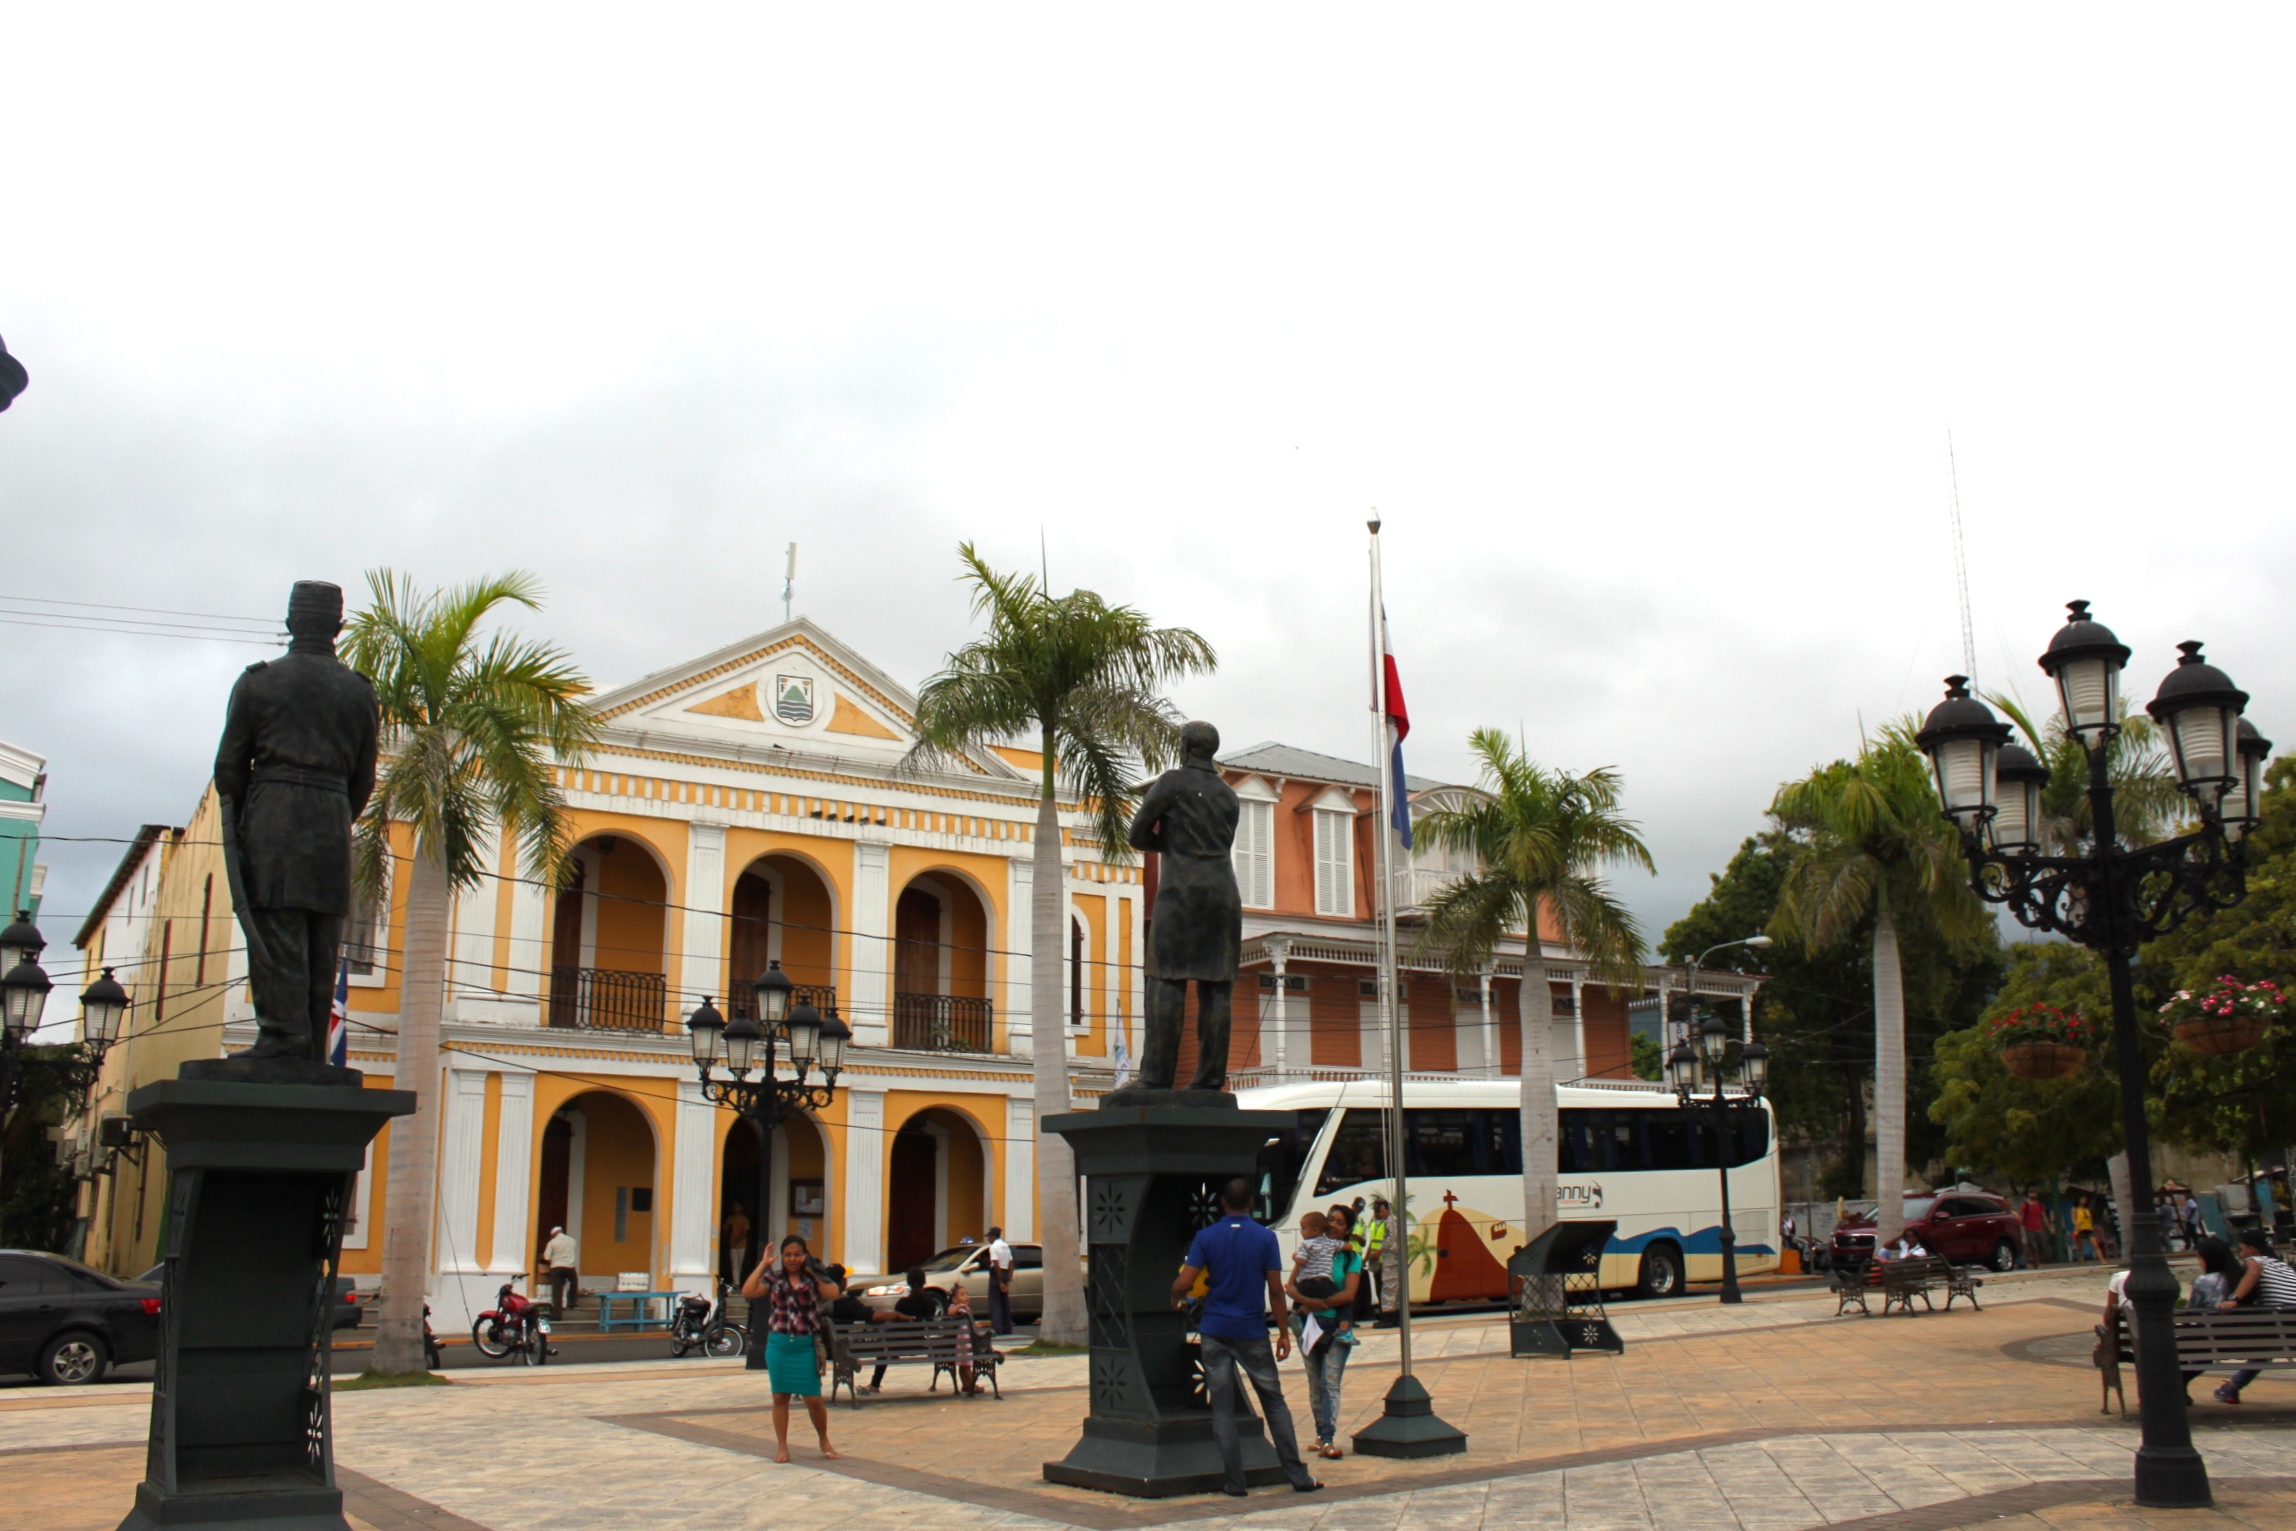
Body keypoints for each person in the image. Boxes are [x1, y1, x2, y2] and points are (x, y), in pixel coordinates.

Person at [1170, 1177, 1322, 1498]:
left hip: (1215, 1331)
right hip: (1252, 1331)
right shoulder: (1265, 1238)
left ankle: (1235, 1483)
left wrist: (1176, 1296)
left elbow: (1184, 1282)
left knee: (1223, 1410)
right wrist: (1282, 1332)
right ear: (1251, 1203)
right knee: (1274, 1403)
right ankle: (1298, 1477)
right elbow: (1276, 1291)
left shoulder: (1206, 1237)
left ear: (1223, 1204)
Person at [743, 1235, 844, 1461]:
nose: (791, 1259)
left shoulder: (812, 1279)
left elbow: (833, 1293)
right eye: (787, 1254)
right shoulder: (775, 1278)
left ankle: (824, 1439)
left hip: (804, 1345)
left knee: (813, 1399)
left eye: (796, 1254)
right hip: (779, 1345)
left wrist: (815, 1272)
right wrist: (763, 1264)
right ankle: (782, 1446)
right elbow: (748, 1291)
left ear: (804, 1256)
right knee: (780, 1397)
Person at [1287, 1204, 1363, 1461]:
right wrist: (1305, 1303)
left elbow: (1349, 1294)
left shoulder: (1350, 1258)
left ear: (1348, 1229)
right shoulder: (1311, 1248)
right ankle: (1320, 1435)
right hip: (1309, 1325)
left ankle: (1328, 1438)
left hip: (1334, 1326)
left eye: (1340, 1223)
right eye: (1331, 1220)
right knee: (1314, 1382)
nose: (1333, 1225)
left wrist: (1322, 1304)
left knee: (1329, 1383)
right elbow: (1290, 1286)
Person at [2212, 1228, 2296, 1404]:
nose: (2242, 1255)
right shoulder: (2282, 1265)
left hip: (2283, 1317)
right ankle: (2231, 1388)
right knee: (2265, 1349)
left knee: (2262, 1349)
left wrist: (2234, 1299)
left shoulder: (2255, 1260)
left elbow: (2253, 1273)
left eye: (2242, 1249)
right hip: (2290, 1321)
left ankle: (2231, 1388)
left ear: (2252, 1249)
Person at [863, 1268, 941, 1394]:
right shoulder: (931, 1303)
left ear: (909, 1282)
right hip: (922, 1345)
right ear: (924, 1282)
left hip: (900, 1346)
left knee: (884, 1346)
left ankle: (875, 1384)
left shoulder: (903, 1304)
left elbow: (896, 1326)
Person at [541, 1226, 579, 1318]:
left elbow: (546, 1257)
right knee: (574, 1282)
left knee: (557, 1292)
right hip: (569, 1267)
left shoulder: (552, 1242)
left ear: (553, 1234)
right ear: (561, 1231)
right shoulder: (572, 1241)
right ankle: (572, 1302)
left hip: (556, 1268)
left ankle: (557, 1315)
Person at [985, 1225, 1015, 1335]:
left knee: (995, 1303)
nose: (988, 1239)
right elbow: (1011, 1264)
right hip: (1006, 1272)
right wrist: (1007, 1280)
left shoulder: (993, 1247)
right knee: (1004, 1303)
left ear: (993, 1236)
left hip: (996, 1275)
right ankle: (1007, 1328)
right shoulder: (1006, 1246)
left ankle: (997, 1329)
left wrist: (1000, 1281)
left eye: (989, 1236)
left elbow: (995, 1263)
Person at [2020, 1193, 2050, 1269]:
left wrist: (2049, 1226)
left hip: (2038, 1228)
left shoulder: (2039, 1204)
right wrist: (2019, 1227)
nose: (2033, 1195)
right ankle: (2037, 1264)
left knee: (2042, 1246)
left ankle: (2035, 1260)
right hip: (2029, 1228)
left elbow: (2043, 1216)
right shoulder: (2025, 1205)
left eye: (2034, 1193)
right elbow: (2021, 1217)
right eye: (2031, 1193)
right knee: (2034, 1247)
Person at [723, 1203, 753, 1281]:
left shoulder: (744, 1219)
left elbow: (744, 1233)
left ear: (741, 1208)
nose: (735, 1208)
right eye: (734, 1206)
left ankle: (737, 1283)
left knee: (739, 1265)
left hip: (741, 1245)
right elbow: (725, 1231)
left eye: (737, 1206)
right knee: (734, 1265)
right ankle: (736, 1283)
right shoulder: (730, 1219)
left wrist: (735, 1241)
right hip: (732, 1245)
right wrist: (726, 1242)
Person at [2070, 1196, 2098, 1262]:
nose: (2084, 1200)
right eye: (2082, 1199)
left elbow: (2089, 1219)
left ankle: (2103, 1260)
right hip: (2080, 1229)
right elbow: (2073, 1219)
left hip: (2088, 1228)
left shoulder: (2086, 1209)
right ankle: (2079, 1260)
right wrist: (2078, 1226)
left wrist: (2091, 1226)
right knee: (2080, 1247)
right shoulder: (2075, 1209)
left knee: (2095, 1245)